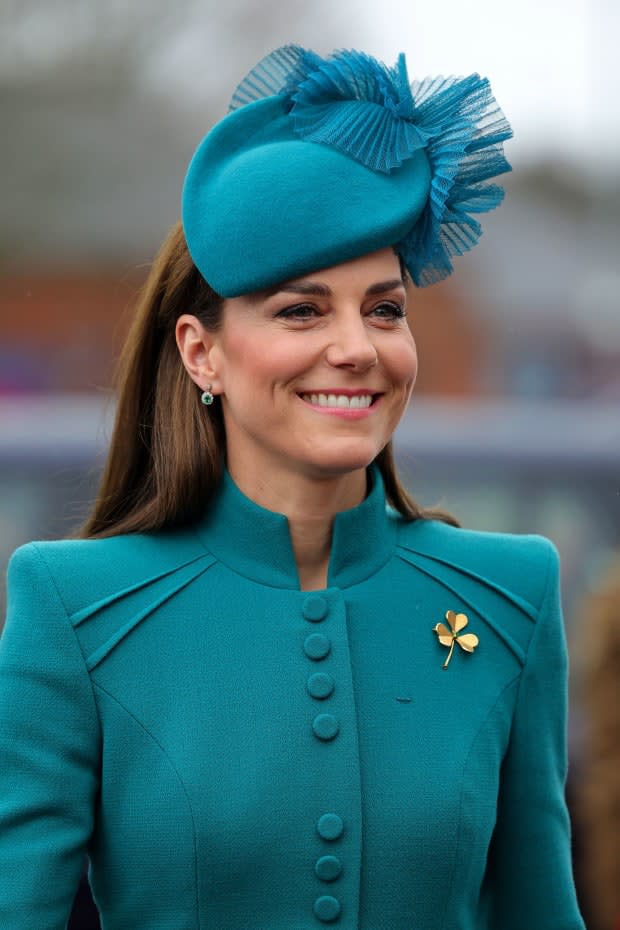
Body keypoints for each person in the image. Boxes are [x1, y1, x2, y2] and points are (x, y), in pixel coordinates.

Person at [0, 45, 585, 929]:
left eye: (384, 309)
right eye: (302, 310)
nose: (357, 346)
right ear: (203, 352)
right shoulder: (73, 608)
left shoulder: (512, 596)